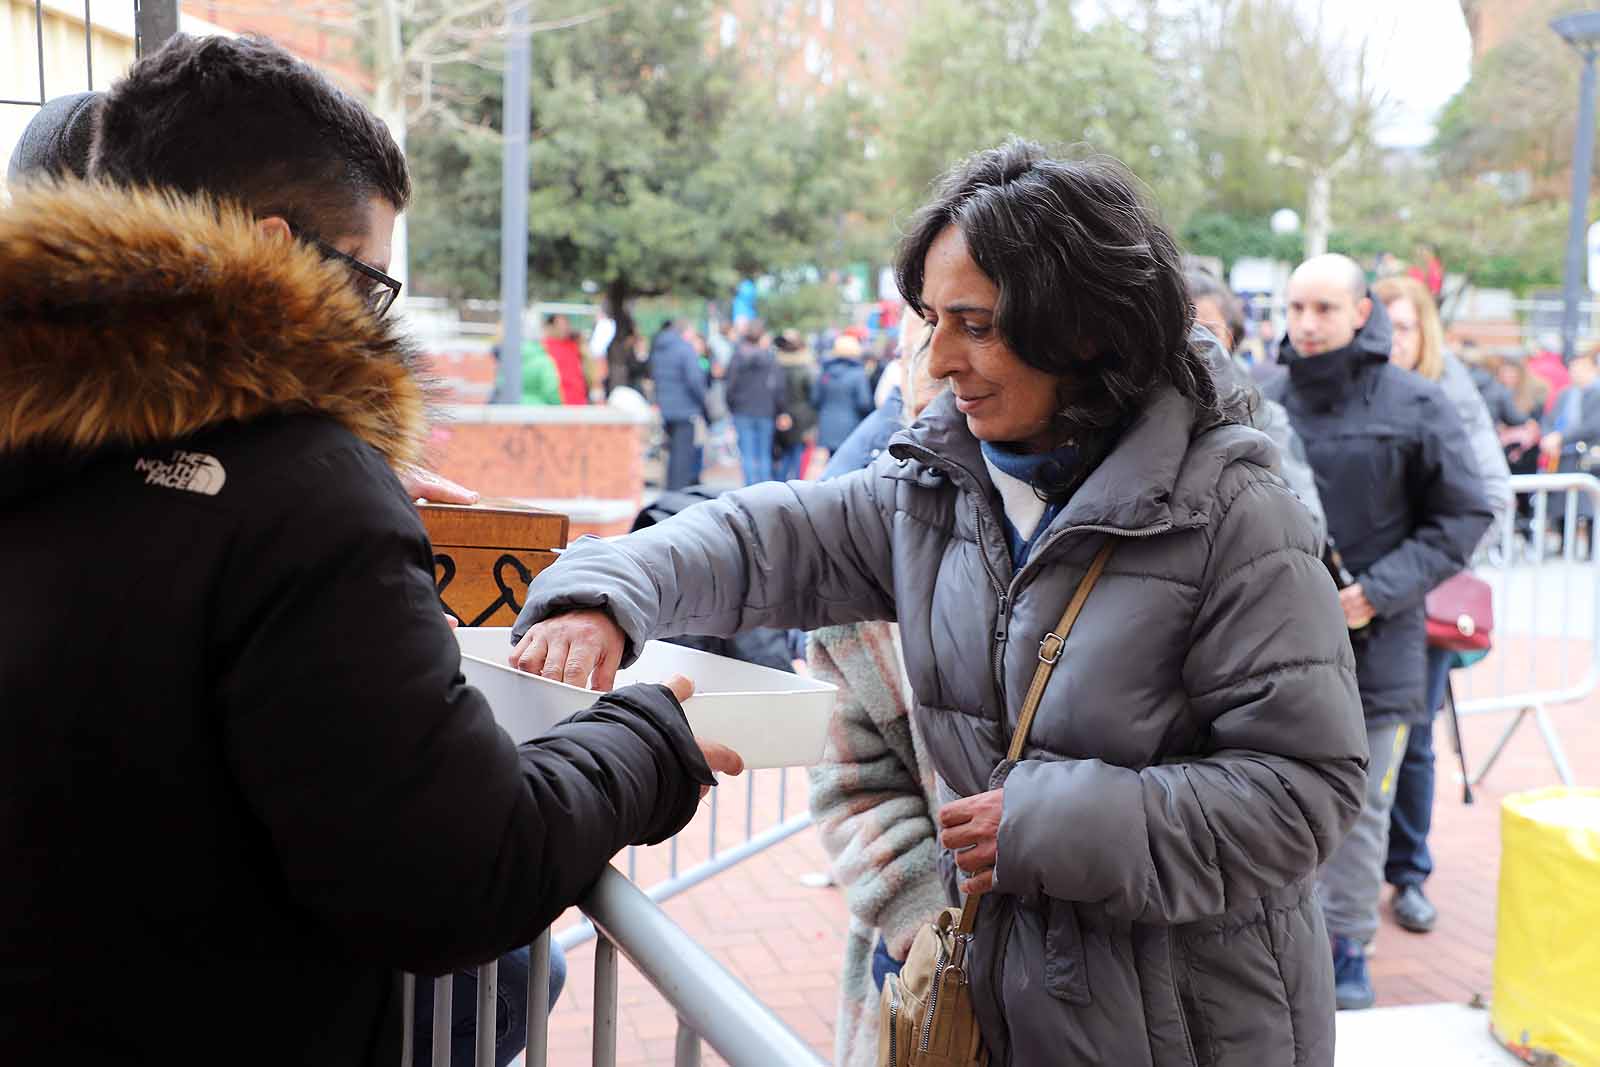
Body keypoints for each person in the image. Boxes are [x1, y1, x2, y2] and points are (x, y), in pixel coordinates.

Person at [509, 141, 1368, 1066]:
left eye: (977, 323)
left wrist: (1051, 822)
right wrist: (606, 591)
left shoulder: (1238, 515)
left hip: (1193, 1028)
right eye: (929, 318)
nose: (938, 356)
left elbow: (1307, 791)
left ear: (1083, 328)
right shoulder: (936, 485)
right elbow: (762, 535)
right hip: (1009, 1009)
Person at [0, 35, 742, 1066]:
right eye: (369, 280)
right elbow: (457, 870)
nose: (370, 317)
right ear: (280, 245)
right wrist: (646, 740)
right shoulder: (301, 493)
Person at [1266, 254, 1492, 1011]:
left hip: (1379, 647)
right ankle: (1274, 945)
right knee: (1268, 798)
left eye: (1324, 308)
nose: (1307, 323)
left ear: (1362, 311)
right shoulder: (1261, 399)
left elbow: (1463, 514)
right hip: (1269, 650)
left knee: (1361, 808)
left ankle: (1348, 944)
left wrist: (1379, 591)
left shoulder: (1417, 402)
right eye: (1297, 307)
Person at [806, 315, 947, 1067]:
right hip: (923, 951)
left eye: (981, 326)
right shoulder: (860, 537)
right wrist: (920, 913)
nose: (954, 359)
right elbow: (849, 769)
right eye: (931, 343)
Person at [1373, 275, 1511, 935]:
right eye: (1384, 325)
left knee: (1415, 740)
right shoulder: (1344, 385)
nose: (1393, 340)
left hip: (1417, 601)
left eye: (1404, 327)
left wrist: (1422, 567)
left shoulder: (1446, 392)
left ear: (1424, 331)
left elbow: (1488, 495)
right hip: (1349, 601)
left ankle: (1407, 872)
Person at [1185, 271, 1328, 542]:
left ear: (1231, 337)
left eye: (1209, 332)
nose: (1194, 346)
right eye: (1184, 332)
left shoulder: (1265, 417)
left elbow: (1311, 528)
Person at [649, 319, 709, 490]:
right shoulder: (684, 349)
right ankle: (678, 494)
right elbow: (694, 380)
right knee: (683, 457)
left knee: (672, 454)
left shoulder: (659, 349)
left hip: (666, 408)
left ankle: (670, 489)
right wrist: (702, 400)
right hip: (685, 409)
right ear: (685, 332)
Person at [724, 320, 785, 484]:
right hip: (765, 410)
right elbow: (778, 387)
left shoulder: (737, 357)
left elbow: (729, 386)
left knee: (748, 455)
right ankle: (764, 494)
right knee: (764, 454)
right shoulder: (769, 358)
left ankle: (749, 492)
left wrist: (732, 406)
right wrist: (780, 410)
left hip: (743, 410)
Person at [812, 332, 875, 455]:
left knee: (832, 460)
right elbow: (864, 402)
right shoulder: (858, 374)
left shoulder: (825, 372)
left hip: (827, 424)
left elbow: (815, 399)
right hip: (851, 425)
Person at [773, 330, 819, 481]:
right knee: (798, 453)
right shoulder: (806, 368)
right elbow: (813, 395)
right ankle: (796, 486)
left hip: (781, 413)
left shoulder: (776, 367)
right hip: (802, 415)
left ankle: (779, 487)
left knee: (783, 454)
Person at [542, 313, 589, 406]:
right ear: (551, 327)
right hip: (559, 403)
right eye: (560, 324)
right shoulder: (544, 347)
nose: (565, 328)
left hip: (579, 401)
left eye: (566, 324)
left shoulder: (574, 345)